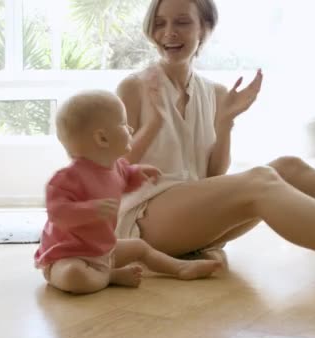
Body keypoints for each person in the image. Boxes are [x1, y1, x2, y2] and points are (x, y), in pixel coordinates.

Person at [114, 0, 315, 270]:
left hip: (188, 219)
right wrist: (154, 124)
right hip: (142, 219)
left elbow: (211, 179)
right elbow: (111, 174)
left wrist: (225, 122)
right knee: (260, 180)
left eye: (182, 22)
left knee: (289, 167)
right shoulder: (134, 88)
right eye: (160, 23)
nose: (169, 32)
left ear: (204, 29)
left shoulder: (214, 93)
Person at [34, 90, 222, 294]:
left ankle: (179, 267)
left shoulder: (117, 167)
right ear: (103, 138)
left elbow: (124, 181)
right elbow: (58, 214)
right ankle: (110, 276)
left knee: (139, 247)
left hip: (104, 250)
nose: (130, 128)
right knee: (73, 277)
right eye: (123, 124)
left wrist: (137, 174)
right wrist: (90, 210)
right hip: (67, 257)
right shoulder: (65, 180)